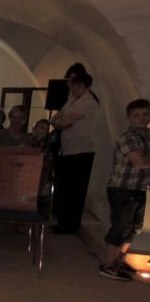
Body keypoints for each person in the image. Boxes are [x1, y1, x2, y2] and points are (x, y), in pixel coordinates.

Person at [99, 99, 150, 281]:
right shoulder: (128, 137)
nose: (141, 118)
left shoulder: (147, 136)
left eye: (145, 114)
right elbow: (140, 163)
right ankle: (108, 265)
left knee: (134, 228)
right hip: (122, 188)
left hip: (139, 188)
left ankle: (118, 260)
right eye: (136, 115)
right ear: (129, 118)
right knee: (121, 227)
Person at [51, 72, 100, 233]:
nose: (74, 89)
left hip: (82, 150)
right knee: (64, 187)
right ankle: (62, 221)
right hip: (68, 149)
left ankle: (70, 224)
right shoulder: (72, 99)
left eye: (78, 86)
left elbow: (64, 121)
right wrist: (58, 122)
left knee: (75, 190)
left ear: (87, 87)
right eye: (73, 85)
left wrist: (59, 122)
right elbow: (57, 118)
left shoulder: (88, 102)